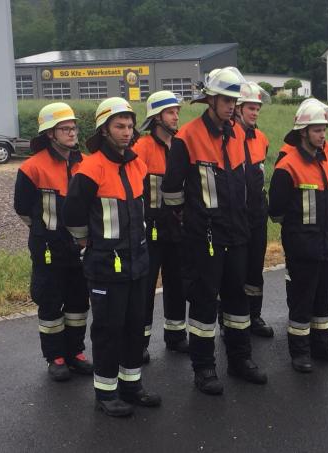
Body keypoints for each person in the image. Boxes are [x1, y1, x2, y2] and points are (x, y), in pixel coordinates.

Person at [161, 67, 267, 395]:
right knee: (205, 304)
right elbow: (172, 191)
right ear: (209, 99)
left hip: (237, 234)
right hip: (204, 237)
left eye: (234, 100)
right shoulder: (188, 137)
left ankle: (240, 360)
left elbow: (246, 182)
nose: (231, 106)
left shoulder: (237, 133)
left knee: (237, 302)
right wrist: (191, 222)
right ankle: (204, 367)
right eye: (225, 99)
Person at [63, 97, 161, 417]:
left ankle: (131, 386)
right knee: (108, 330)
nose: (126, 131)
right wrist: (88, 245)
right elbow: (74, 216)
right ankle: (106, 394)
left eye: (130, 126)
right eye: (119, 126)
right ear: (104, 130)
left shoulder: (137, 164)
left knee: (135, 327)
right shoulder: (90, 169)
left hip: (137, 261)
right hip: (105, 265)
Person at [13, 102, 93, 381]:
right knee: (50, 305)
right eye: (65, 129)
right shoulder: (32, 167)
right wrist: (44, 232)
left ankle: (76, 353)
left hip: (79, 249)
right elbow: (22, 208)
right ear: (50, 133)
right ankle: (55, 357)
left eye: (73, 128)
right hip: (48, 250)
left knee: (78, 305)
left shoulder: (84, 163)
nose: (72, 133)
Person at [268, 98, 328, 373]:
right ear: (303, 132)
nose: (322, 135)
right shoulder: (287, 166)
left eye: (324, 129)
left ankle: (322, 346)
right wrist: (298, 233)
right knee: (302, 303)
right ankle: (300, 352)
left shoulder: (326, 160)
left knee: (323, 300)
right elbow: (276, 209)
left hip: (326, 243)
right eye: (316, 130)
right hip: (302, 246)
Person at [132, 91, 189, 361]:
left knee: (177, 283)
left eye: (177, 111)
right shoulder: (141, 149)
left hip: (177, 229)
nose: (176, 116)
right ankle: (140, 342)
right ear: (156, 118)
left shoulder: (180, 145)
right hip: (150, 229)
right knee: (145, 288)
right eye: (170, 112)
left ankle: (176, 335)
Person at [232, 81, 274, 338]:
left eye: (257, 108)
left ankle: (254, 316)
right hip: (235, 215)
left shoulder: (262, 138)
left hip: (257, 214)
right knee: (235, 271)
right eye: (250, 107)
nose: (255, 112)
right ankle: (231, 320)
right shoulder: (228, 135)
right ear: (238, 108)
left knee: (255, 268)